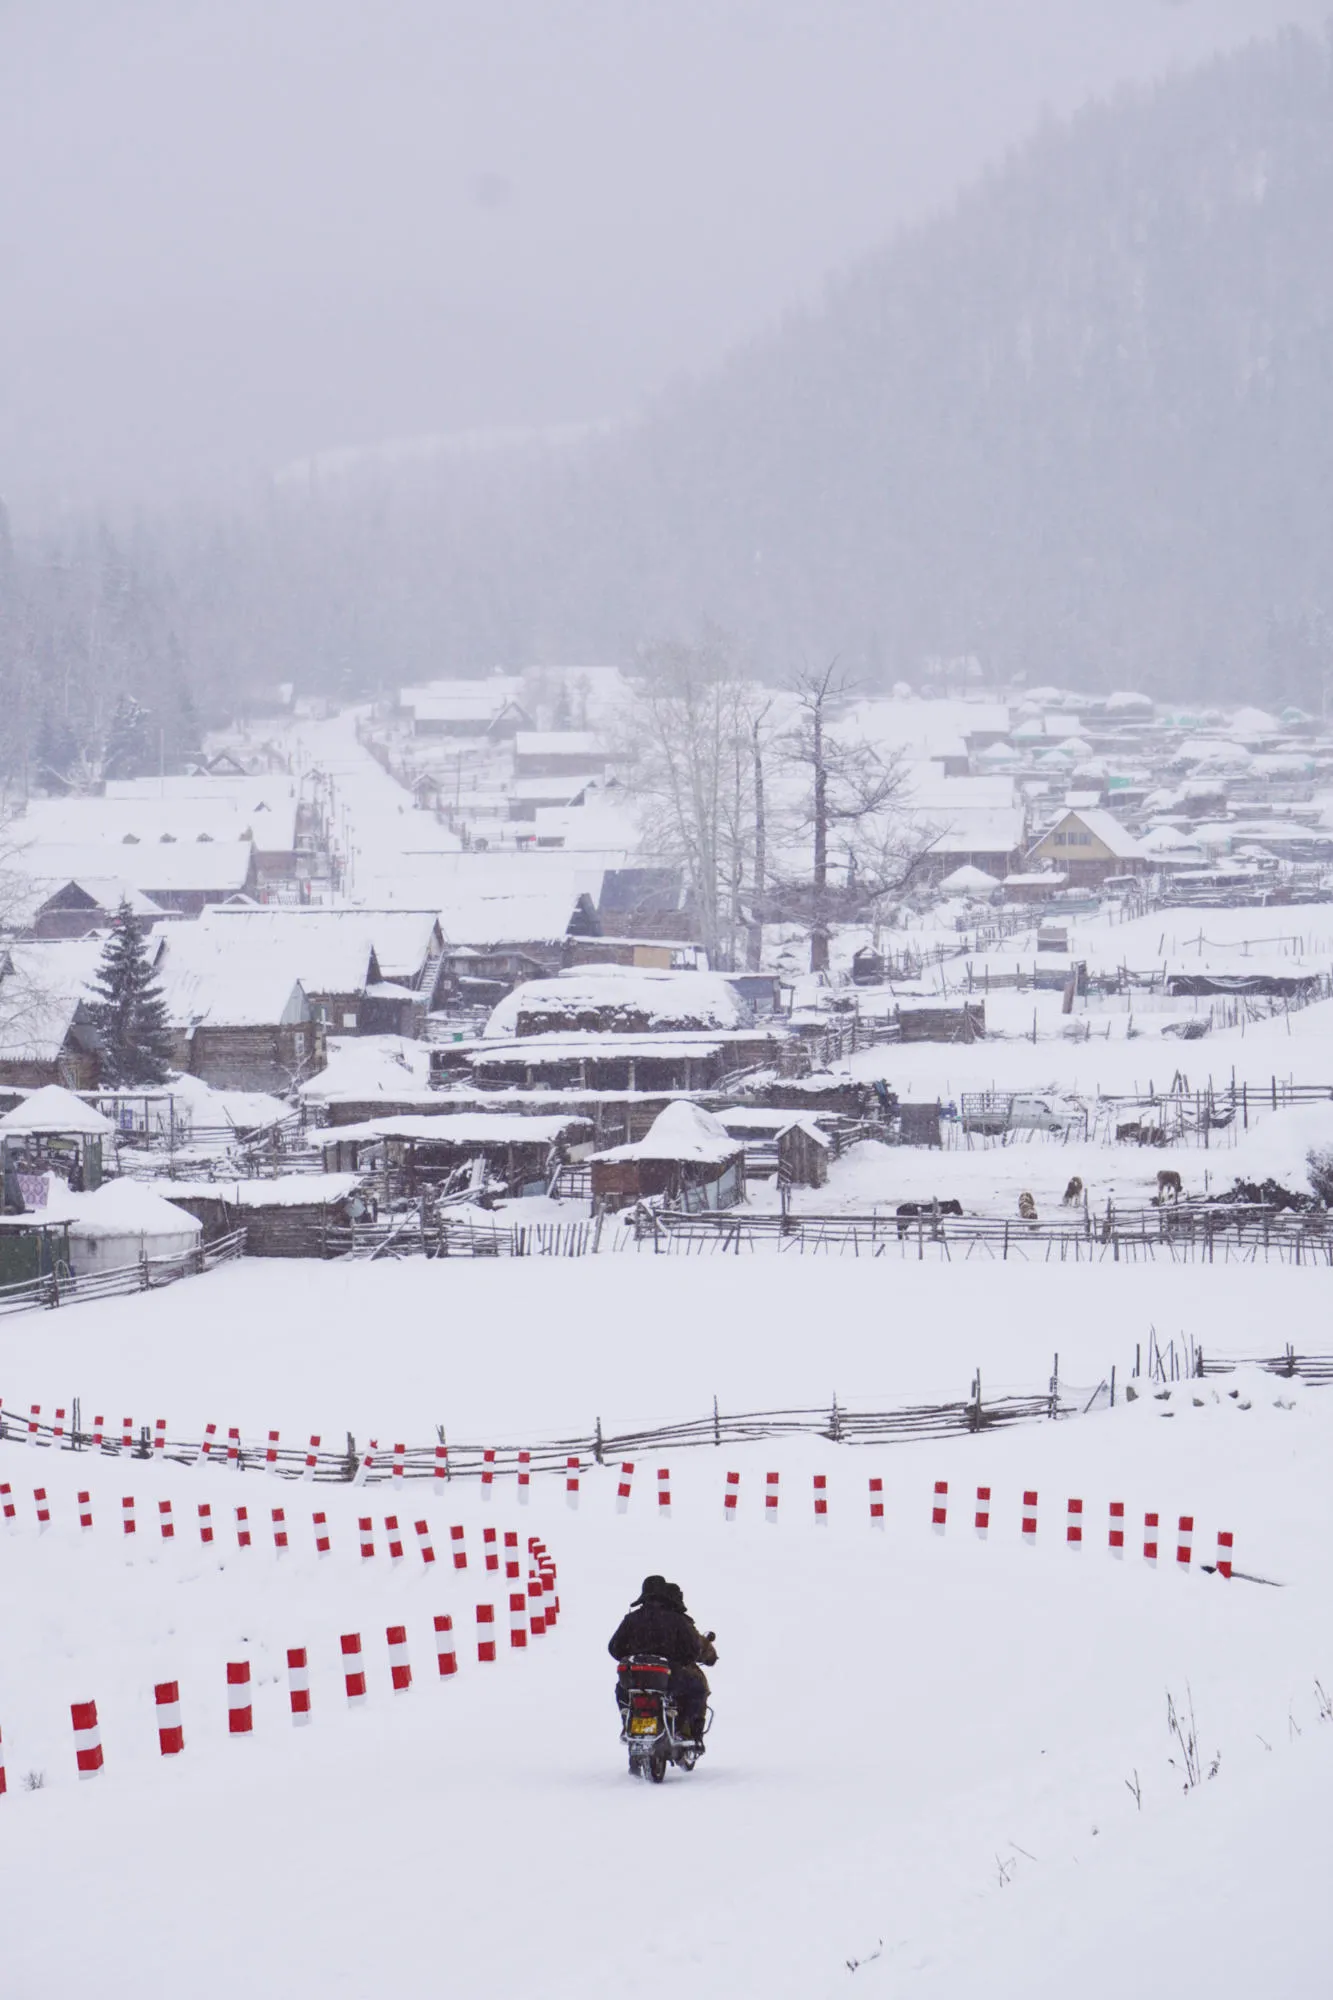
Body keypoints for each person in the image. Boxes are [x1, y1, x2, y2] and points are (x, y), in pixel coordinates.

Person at [608, 1575, 717, 1747]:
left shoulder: (631, 1619)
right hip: (670, 1678)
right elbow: (693, 1649)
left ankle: (627, 1724)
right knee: (697, 1690)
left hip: (633, 1680)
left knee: (621, 1692)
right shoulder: (677, 1619)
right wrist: (681, 1661)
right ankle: (687, 1732)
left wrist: (632, 1656)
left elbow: (614, 1648)